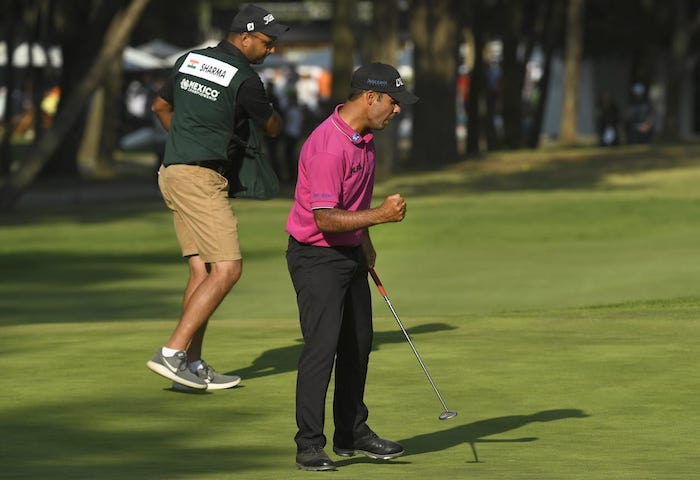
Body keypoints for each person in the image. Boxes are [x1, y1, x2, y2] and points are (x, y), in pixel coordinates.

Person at [146, 4, 289, 391]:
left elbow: (160, 106)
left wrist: (186, 141)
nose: (271, 50)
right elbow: (272, 127)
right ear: (245, 37)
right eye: (267, 42)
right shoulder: (246, 79)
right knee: (227, 269)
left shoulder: (188, 59)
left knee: (202, 271)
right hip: (200, 179)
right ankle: (172, 353)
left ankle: (189, 366)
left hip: (172, 171)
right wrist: (275, 118)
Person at [285, 62, 418, 471]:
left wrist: (367, 241)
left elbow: (352, 207)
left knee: (358, 344)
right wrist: (380, 217)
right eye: (394, 103)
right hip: (316, 256)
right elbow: (325, 218)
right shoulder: (329, 146)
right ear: (371, 97)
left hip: (350, 252)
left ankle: (351, 432)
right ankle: (309, 444)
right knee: (322, 348)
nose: (397, 111)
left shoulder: (364, 139)